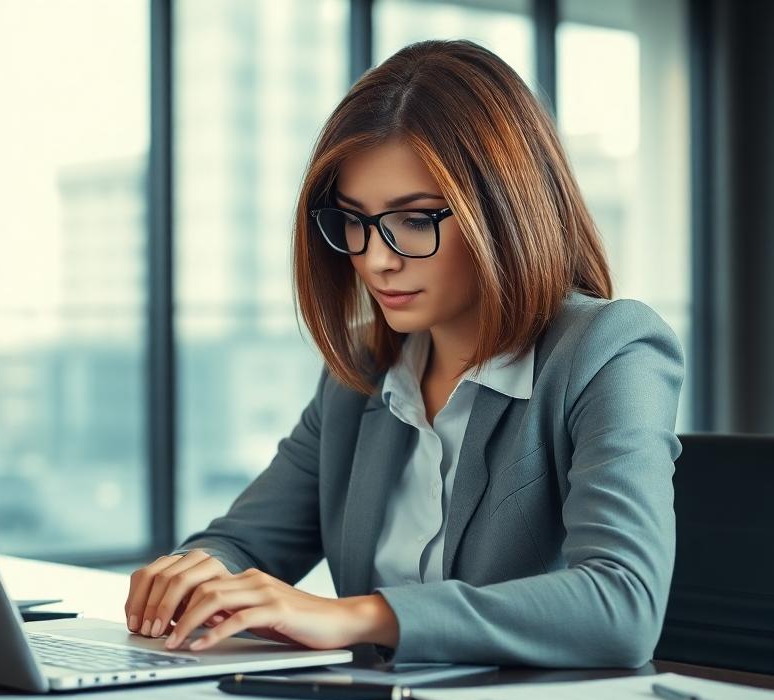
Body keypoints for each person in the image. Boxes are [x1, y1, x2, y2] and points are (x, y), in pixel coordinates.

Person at [122, 39, 684, 667]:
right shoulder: (363, 371)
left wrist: (355, 617)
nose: (375, 259)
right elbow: (246, 542)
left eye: (415, 220)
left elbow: (623, 604)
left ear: (503, 212)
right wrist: (193, 575)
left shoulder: (610, 350)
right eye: (354, 221)